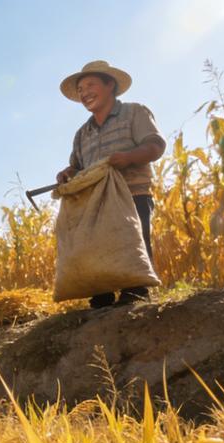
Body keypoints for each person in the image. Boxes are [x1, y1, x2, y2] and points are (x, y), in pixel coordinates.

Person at [55, 60, 166, 308]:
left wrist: (129, 157)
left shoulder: (134, 112)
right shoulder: (82, 133)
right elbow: (78, 167)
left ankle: (135, 294)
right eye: (80, 89)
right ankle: (101, 297)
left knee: (132, 243)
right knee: (95, 249)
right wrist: (68, 173)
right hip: (95, 202)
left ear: (110, 85)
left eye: (90, 85)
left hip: (131, 192)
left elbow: (156, 145)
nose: (85, 93)